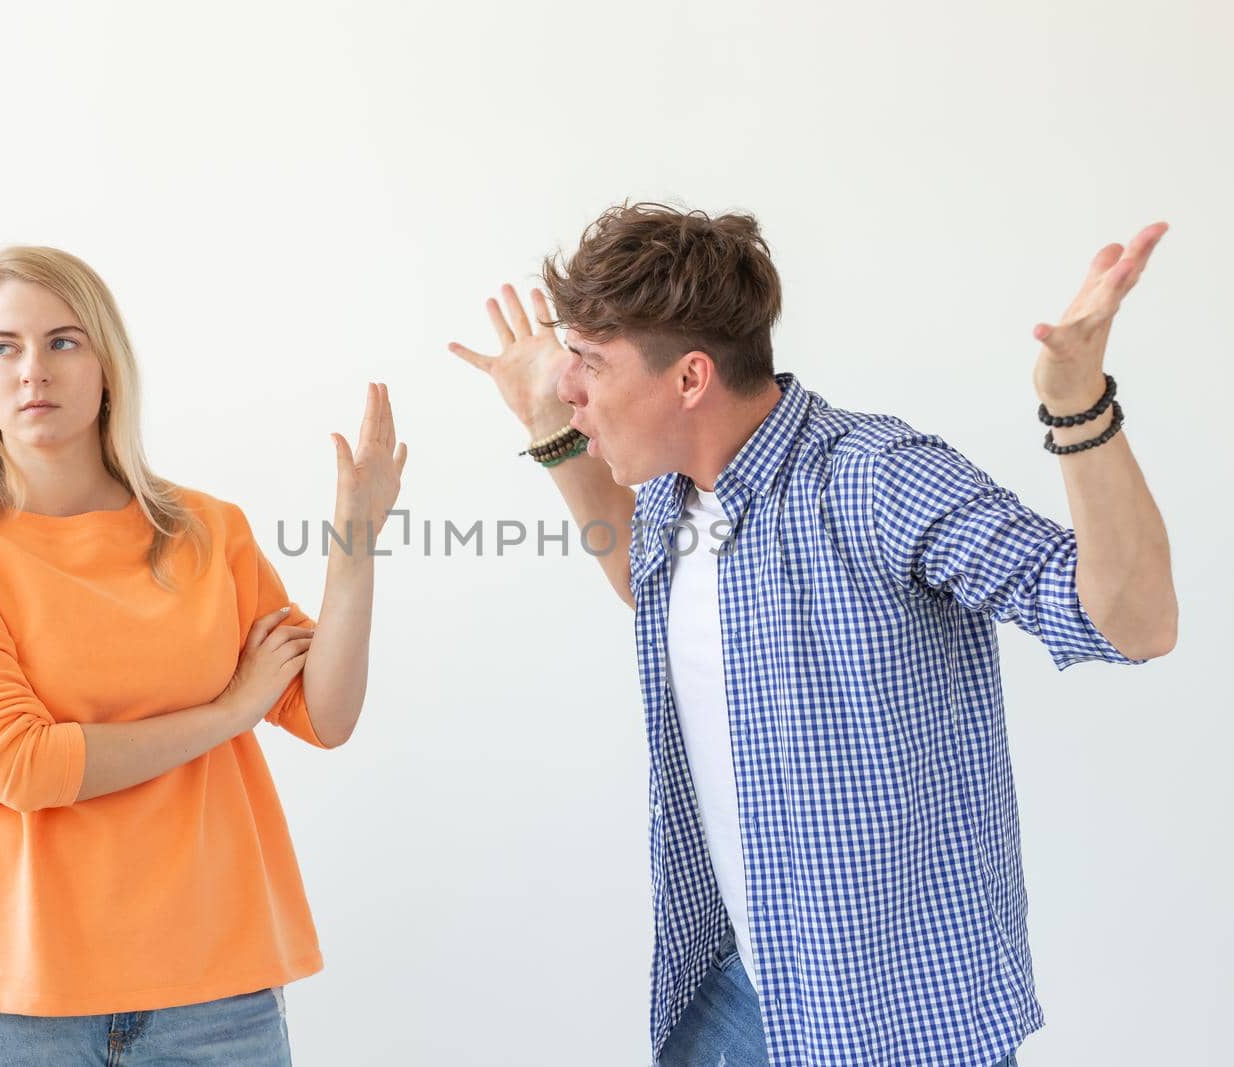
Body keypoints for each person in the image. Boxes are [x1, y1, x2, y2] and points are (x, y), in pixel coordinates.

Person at [449, 202, 1176, 1067]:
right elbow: (651, 585)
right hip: (736, 994)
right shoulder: (674, 491)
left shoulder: (875, 481)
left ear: (689, 380)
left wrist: (1078, 407)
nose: (570, 386)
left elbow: (1134, 622)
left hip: (892, 1026)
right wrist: (550, 430)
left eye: (591, 365)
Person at [0, 245, 405, 1066]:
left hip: (213, 1001)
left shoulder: (205, 529)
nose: (32, 370)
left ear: (107, 366)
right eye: (3, 346)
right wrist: (229, 711)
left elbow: (325, 713)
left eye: (64, 341)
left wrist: (357, 539)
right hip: (5, 1003)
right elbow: (25, 765)